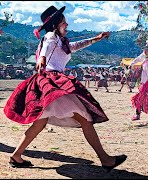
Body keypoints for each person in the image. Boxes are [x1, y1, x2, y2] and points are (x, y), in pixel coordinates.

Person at [3, 5, 127, 171]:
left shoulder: (61, 42)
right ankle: (105, 160)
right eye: (64, 22)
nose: (67, 25)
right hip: (53, 83)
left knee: (40, 123)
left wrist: (97, 38)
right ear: (55, 24)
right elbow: (46, 46)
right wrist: (42, 58)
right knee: (84, 118)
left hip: (49, 83)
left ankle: (16, 156)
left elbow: (77, 45)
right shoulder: (50, 36)